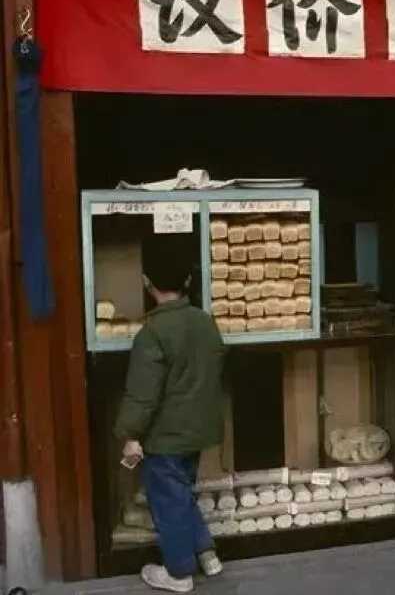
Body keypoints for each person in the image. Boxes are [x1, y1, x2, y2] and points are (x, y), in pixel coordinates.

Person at [115, 234, 226, 593]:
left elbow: (142, 396)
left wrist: (131, 435)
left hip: (164, 437)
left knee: (168, 502)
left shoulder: (151, 334)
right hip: (198, 431)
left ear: (147, 283)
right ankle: (205, 551)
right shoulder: (206, 323)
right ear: (189, 280)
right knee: (182, 493)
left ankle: (179, 574)